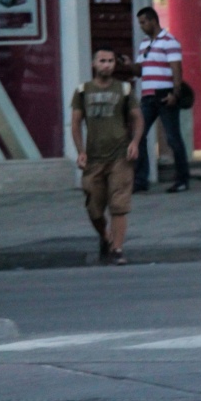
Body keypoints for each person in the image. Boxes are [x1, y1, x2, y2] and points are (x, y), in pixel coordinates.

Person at [71, 49, 144, 265]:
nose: (107, 65)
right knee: (94, 207)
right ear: (94, 63)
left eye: (111, 61)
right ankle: (106, 236)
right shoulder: (83, 91)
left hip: (120, 157)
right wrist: (80, 151)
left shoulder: (124, 89)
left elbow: (138, 118)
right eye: (102, 61)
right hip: (94, 158)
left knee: (118, 204)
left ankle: (117, 249)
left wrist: (135, 142)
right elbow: (75, 122)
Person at [124, 6, 190, 193]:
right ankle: (140, 180)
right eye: (140, 23)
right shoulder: (144, 44)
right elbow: (140, 71)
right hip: (147, 95)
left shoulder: (170, 42)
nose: (142, 26)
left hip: (164, 94)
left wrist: (175, 94)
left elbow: (176, 69)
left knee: (172, 137)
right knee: (139, 135)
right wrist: (129, 65)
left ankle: (182, 178)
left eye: (144, 22)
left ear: (153, 20)